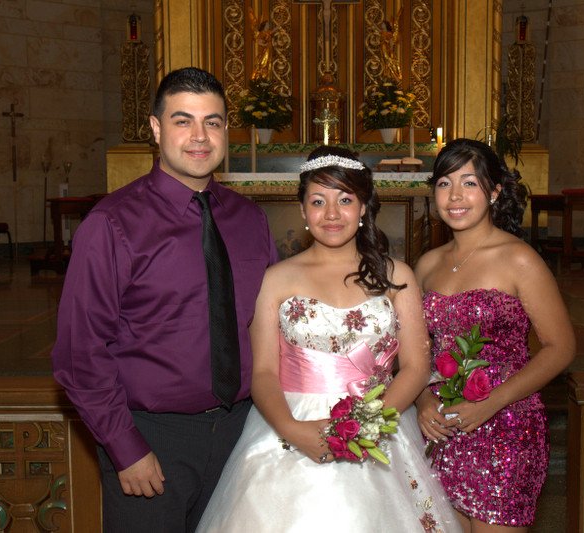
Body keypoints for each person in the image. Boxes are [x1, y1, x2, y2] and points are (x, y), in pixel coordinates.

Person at [52, 67, 277, 532]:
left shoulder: (249, 219)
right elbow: (80, 353)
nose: (199, 136)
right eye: (182, 120)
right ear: (156, 129)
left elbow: (276, 324)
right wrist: (125, 447)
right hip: (153, 439)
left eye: (212, 122)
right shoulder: (112, 224)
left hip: (241, 433)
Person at [195, 146, 461, 532]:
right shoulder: (275, 279)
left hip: (379, 419)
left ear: (364, 207)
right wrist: (290, 429)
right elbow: (264, 371)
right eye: (318, 201)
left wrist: (368, 425)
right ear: (303, 211)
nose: (332, 214)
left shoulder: (396, 275)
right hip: (293, 422)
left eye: (345, 200)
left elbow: (417, 367)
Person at [414, 139, 575, 532]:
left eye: (469, 183)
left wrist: (491, 402)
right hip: (442, 428)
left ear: (494, 191)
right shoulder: (427, 264)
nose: (455, 196)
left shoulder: (519, 259)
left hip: (507, 425)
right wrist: (421, 401)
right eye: (445, 183)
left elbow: (560, 348)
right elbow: (417, 352)